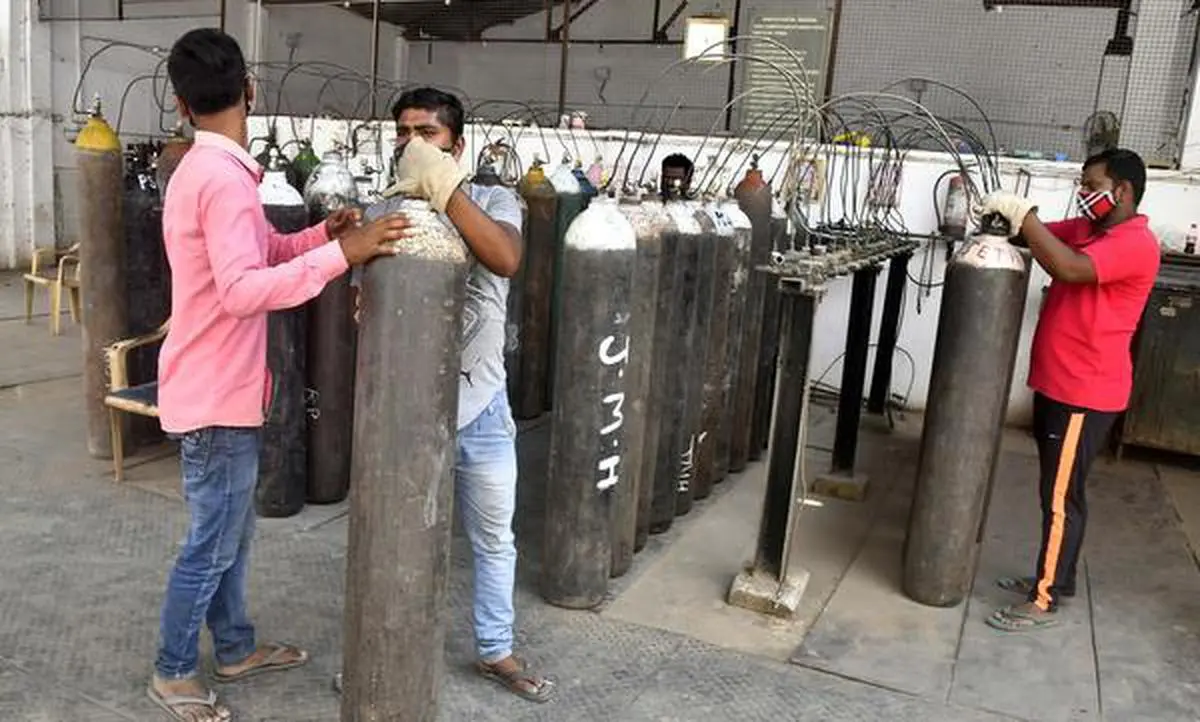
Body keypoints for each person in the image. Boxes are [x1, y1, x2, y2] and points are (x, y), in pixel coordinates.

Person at [151, 28, 407, 722]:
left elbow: (260, 254)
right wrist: (344, 255)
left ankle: (233, 648)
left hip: (220, 389)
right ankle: (173, 670)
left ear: (181, 104)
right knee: (211, 544)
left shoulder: (209, 173)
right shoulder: (220, 178)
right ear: (251, 91)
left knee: (232, 537)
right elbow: (241, 289)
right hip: (214, 396)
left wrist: (322, 237)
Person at [336, 87, 555, 703]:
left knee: (493, 539)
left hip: (480, 406)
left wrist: (444, 188)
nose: (411, 144)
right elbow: (365, 308)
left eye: (427, 134)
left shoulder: (491, 198)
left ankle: (496, 650)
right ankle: (378, 649)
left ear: (456, 146)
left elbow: (506, 258)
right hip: (405, 414)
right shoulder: (384, 210)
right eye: (403, 132)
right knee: (391, 533)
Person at [978, 148, 1160, 632]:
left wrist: (1027, 213)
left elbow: (1069, 268)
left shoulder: (1134, 243)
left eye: (1089, 185)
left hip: (1085, 392)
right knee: (1059, 492)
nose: (1082, 195)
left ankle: (1045, 597)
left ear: (1121, 191)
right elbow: (1035, 240)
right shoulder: (1088, 230)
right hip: (1058, 384)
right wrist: (1008, 217)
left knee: (1061, 498)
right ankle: (1059, 576)